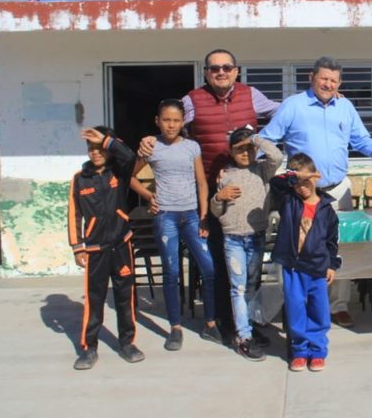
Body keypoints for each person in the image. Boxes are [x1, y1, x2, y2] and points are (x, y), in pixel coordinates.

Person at [139, 49, 279, 340]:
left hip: (248, 191)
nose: (221, 72)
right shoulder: (193, 100)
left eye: (227, 67)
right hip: (214, 194)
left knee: (250, 267)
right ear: (206, 72)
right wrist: (149, 139)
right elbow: (171, 122)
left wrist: (318, 102)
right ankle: (226, 324)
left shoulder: (252, 95)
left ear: (236, 70)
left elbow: (283, 112)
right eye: (214, 68)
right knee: (219, 261)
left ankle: (250, 323)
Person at [259, 56, 372, 328]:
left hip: (338, 190)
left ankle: (338, 306)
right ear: (311, 78)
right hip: (302, 194)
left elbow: (360, 140)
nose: (328, 84)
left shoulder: (345, 107)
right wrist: (244, 162)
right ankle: (297, 303)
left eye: (333, 80)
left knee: (339, 247)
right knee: (299, 250)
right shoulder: (294, 106)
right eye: (324, 78)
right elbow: (267, 139)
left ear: (339, 83)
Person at [130, 99, 222, 351]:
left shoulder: (192, 146)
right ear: (157, 121)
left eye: (176, 120)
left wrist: (204, 215)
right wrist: (149, 196)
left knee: (209, 268)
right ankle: (175, 327)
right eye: (166, 120)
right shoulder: (151, 147)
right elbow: (130, 177)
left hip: (191, 215)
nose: (171, 125)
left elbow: (202, 183)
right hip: (166, 217)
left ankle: (211, 323)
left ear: (183, 122)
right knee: (171, 273)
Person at [68, 126, 145, 370]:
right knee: (95, 300)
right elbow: (73, 214)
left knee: (125, 299)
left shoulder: (119, 172)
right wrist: (77, 247)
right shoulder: (80, 178)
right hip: (95, 251)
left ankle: (127, 344)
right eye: (91, 149)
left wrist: (107, 140)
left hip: (121, 245)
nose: (95, 152)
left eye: (99, 148)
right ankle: (89, 348)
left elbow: (130, 157)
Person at [210, 126, 283, 360]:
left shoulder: (263, 169)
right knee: (238, 287)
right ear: (230, 152)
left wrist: (256, 139)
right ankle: (243, 336)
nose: (245, 154)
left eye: (249, 149)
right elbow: (217, 211)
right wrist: (218, 198)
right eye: (239, 150)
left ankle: (249, 328)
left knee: (252, 285)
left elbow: (277, 156)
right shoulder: (226, 175)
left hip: (256, 236)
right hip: (233, 239)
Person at [270, 153, 340, 372]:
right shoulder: (289, 201)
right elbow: (275, 182)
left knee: (318, 310)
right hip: (293, 267)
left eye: (306, 182)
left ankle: (317, 350)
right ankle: (299, 350)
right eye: (297, 183)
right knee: (295, 308)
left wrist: (331, 265)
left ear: (316, 178)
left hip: (318, 268)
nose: (301, 187)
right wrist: (296, 175)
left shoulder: (327, 210)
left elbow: (331, 241)